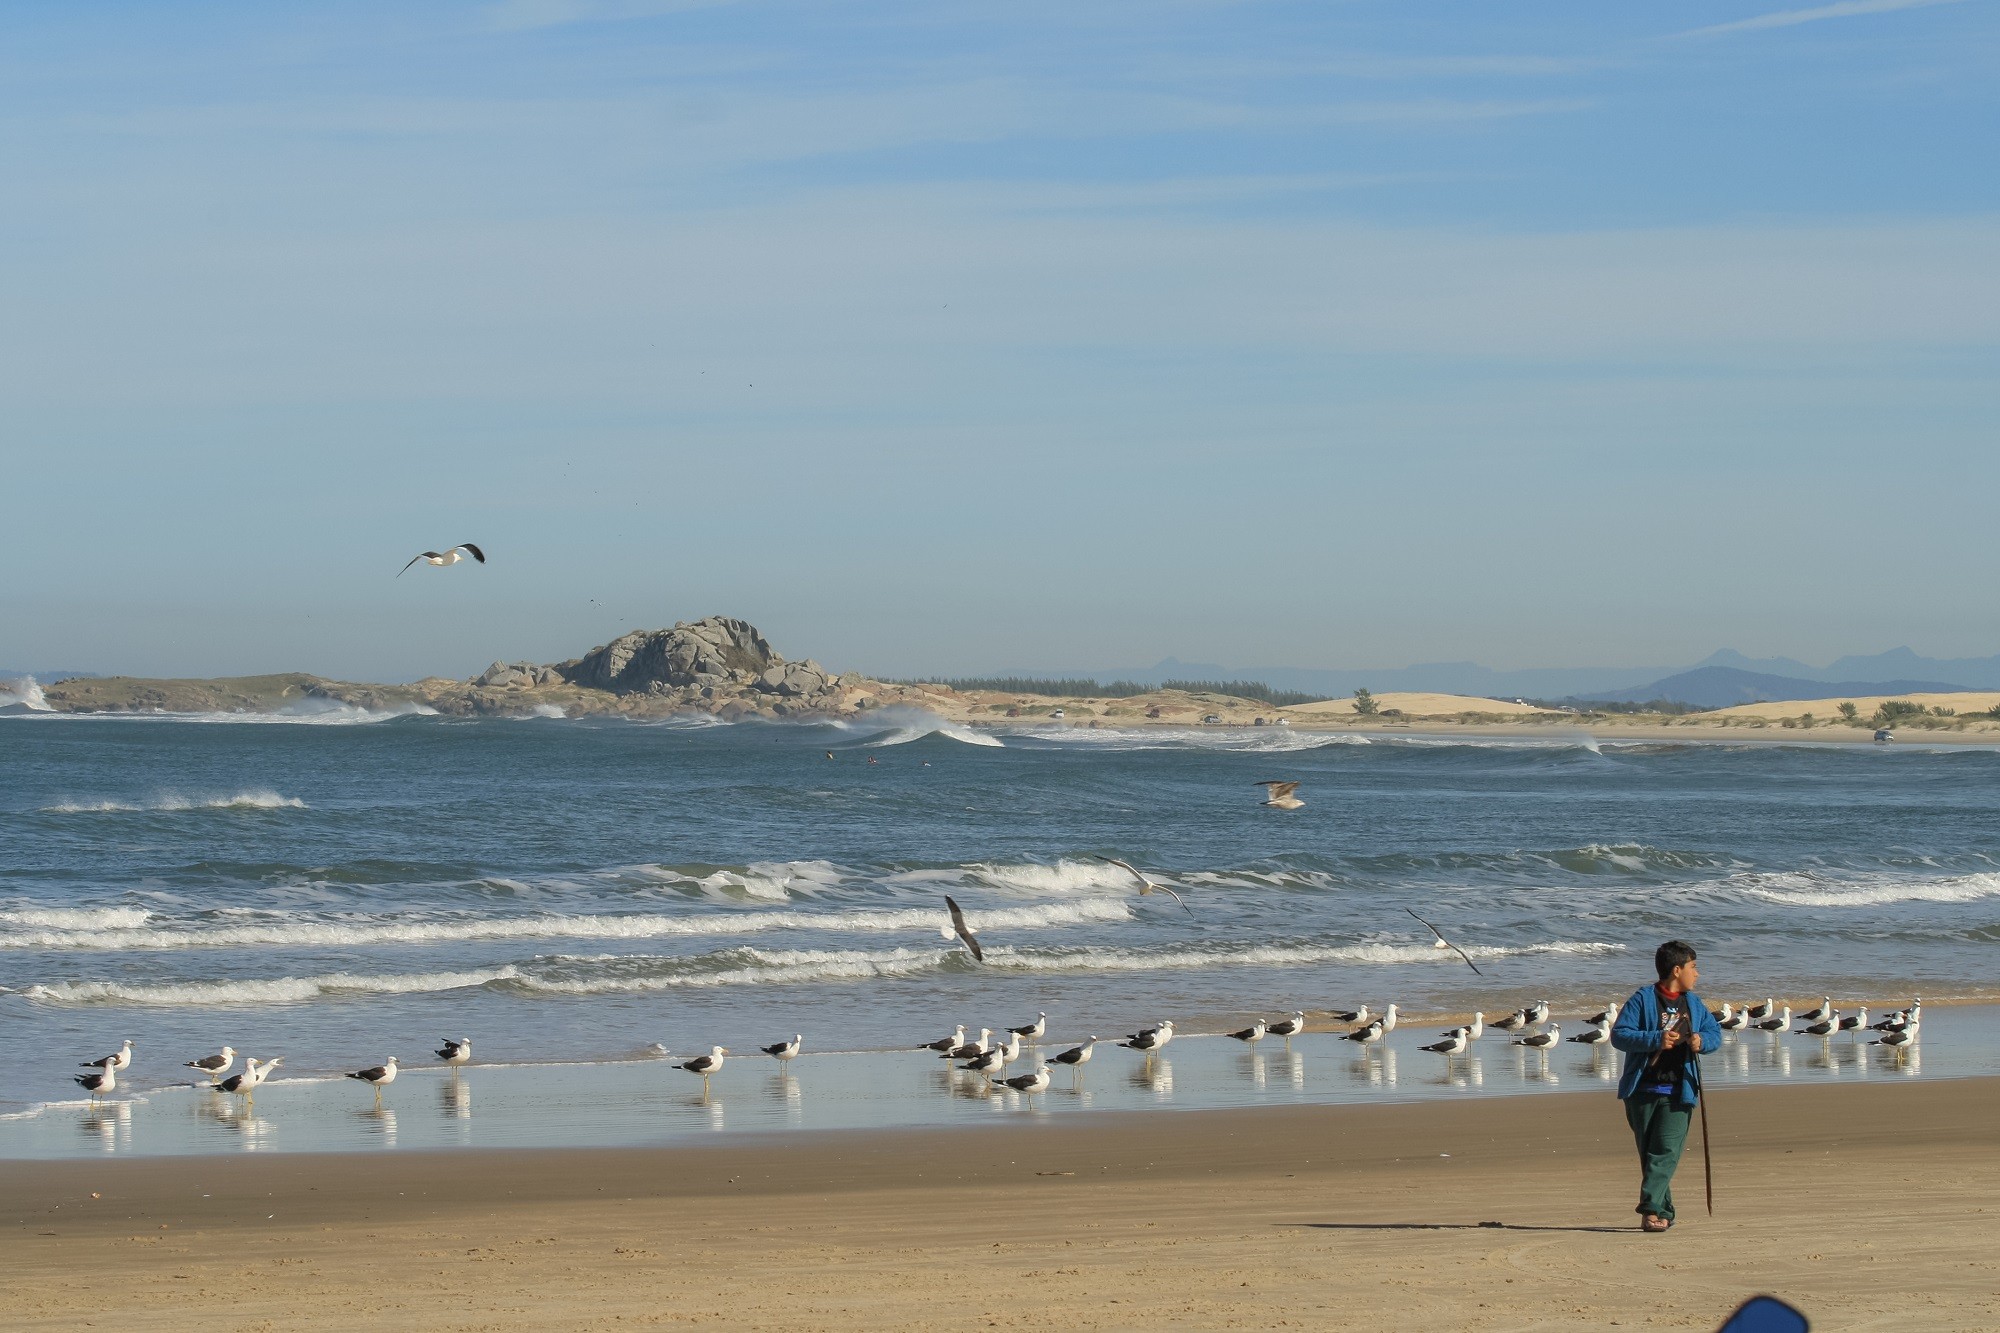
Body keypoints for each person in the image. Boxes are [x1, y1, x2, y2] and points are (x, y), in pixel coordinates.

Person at [1610, 939, 1722, 1233]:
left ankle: (1649, 1209)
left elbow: (1714, 1034)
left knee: (1666, 1154)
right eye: (1693, 967)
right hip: (1642, 1090)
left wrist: (1701, 1042)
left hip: (1679, 1091)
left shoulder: (1694, 1004)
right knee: (1651, 1158)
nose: (1697, 974)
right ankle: (1664, 1210)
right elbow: (1620, 1036)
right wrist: (1655, 1039)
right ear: (1676, 969)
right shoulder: (1642, 1000)